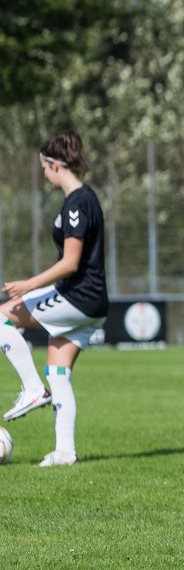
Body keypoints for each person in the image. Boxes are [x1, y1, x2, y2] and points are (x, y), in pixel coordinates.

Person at [1, 130, 109, 467]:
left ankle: (33, 389)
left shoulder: (78, 202)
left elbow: (71, 262)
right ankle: (64, 452)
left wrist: (29, 284)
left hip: (79, 296)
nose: (43, 173)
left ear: (53, 164)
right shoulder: (83, 198)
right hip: (93, 303)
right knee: (58, 371)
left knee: (2, 316)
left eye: (44, 167)